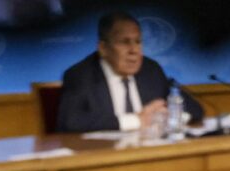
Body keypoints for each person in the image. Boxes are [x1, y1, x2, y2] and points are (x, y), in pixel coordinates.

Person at [56, 11, 203, 133]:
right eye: (124, 42)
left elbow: (196, 110)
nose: (134, 50)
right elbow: (70, 122)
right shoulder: (80, 75)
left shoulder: (151, 70)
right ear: (103, 48)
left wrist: (169, 116)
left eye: (138, 42)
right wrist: (136, 120)